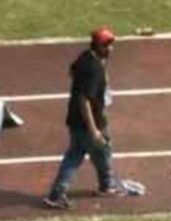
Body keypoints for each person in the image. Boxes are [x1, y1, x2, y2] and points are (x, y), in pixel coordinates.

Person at [44, 28, 124, 210]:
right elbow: (84, 100)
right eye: (107, 45)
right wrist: (93, 130)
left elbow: (72, 71)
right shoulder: (95, 68)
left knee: (76, 154)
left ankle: (57, 194)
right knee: (102, 150)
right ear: (98, 46)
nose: (111, 49)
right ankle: (106, 185)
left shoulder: (85, 57)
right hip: (90, 121)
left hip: (74, 119)